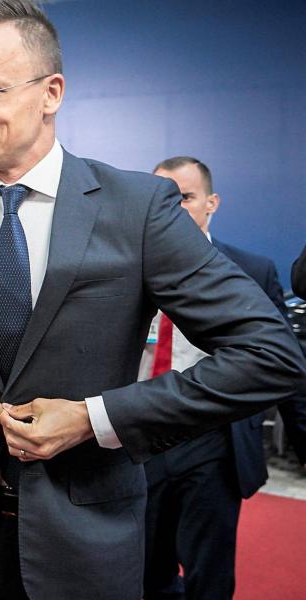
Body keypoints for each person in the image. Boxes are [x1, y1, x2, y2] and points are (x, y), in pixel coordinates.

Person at [0, 2, 306, 599]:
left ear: (51, 93)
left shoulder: (136, 208)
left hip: (86, 541)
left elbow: (269, 354)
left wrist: (96, 418)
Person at [142, 156, 306, 599]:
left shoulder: (252, 270)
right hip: (141, 434)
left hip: (214, 439)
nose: (173, 209)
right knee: (146, 570)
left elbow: (284, 364)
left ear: (211, 202)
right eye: (161, 199)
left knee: (209, 573)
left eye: (184, 198)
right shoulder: (126, 268)